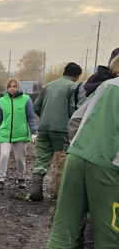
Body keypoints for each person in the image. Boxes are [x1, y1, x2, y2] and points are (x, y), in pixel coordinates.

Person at [41, 54, 119, 249]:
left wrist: (80, 147)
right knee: (108, 228)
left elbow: (75, 120)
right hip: (107, 165)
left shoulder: (106, 86)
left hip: (76, 156)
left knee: (64, 222)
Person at [29, 62, 82, 201]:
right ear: (77, 76)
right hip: (62, 130)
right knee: (62, 160)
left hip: (44, 128)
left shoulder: (48, 86)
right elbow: (73, 110)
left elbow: (36, 107)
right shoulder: (73, 87)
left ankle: (35, 192)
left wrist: (46, 118)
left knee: (42, 159)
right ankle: (59, 195)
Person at [0, 78, 37, 190]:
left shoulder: (26, 99)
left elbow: (31, 117)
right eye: (10, 86)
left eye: (14, 86)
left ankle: (21, 178)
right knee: (4, 155)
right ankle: (0, 179)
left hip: (21, 133)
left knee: (20, 158)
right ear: (7, 88)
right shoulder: (1, 101)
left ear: (18, 87)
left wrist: (34, 132)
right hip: (5, 133)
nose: (12, 88)